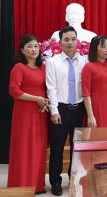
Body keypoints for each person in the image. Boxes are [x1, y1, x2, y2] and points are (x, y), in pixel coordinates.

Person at [46, 26, 87, 196]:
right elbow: (51, 88)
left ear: (77, 41)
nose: (70, 42)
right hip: (61, 109)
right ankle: (55, 182)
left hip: (79, 109)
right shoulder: (53, 61)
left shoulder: (85, 61)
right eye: (66, 39)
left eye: (73, 39)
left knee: (77, 148)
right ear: (60, 42)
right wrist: (54, 111)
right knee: (57, 147)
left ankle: (73, 179)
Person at [8, 35, 49, 194]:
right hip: (24, 112)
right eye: (30, 47)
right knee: (24, 146)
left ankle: (37, 185)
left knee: (38, 147)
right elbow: (14, 91)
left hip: (40, 112)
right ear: (22, 50)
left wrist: (44, 102)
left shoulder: (43, 68)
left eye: (36, 47)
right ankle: (21, 185)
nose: (33, 50)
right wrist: (36, 99)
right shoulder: (19, 67)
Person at [82, 35, 107, 127]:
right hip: (95, 105)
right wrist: (90, 115)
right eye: (103, 46)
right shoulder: (89, 66)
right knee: (96, 135)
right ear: (95, 48)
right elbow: (86, 93)